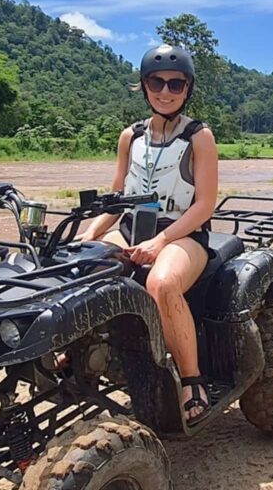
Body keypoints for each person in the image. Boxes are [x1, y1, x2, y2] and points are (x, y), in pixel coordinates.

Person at [80, 44, 218, 425]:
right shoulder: (131, 136)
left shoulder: (198, 137)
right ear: (144, 86)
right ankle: (80, 353)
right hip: (131, 228)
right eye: (157, 82)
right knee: (81, 266)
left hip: (182, 234)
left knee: (161, 283)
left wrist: (161, 242)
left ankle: (191, 378)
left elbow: (204, 204)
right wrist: (88, 236)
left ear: (187, 89)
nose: (166, 91)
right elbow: (116, 200)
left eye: (176, 84)